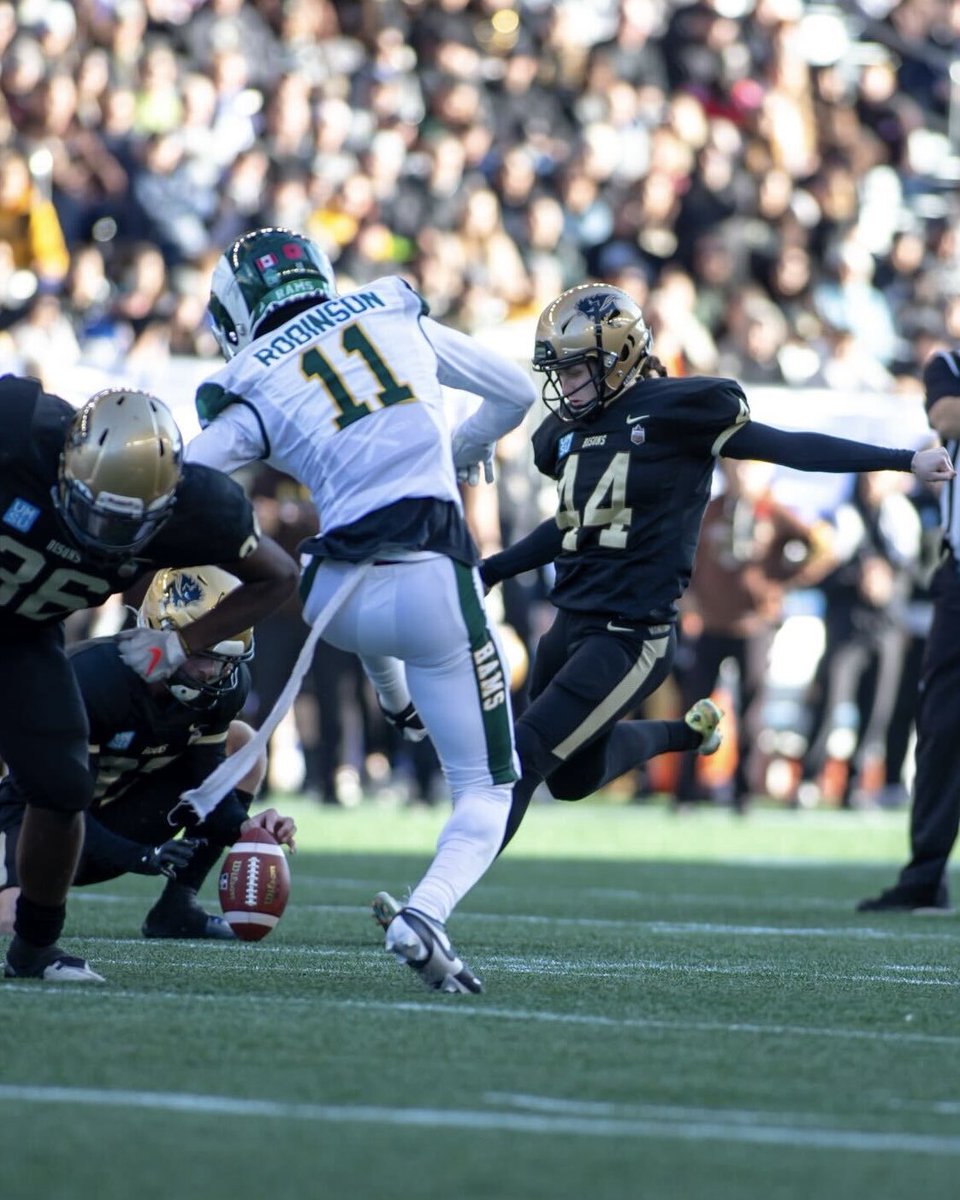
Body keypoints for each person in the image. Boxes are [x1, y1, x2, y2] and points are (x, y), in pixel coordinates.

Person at [474, 284, 954, 851]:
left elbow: (791, 447)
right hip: (569, 621)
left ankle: (437, 893)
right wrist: (494, 569)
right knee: (570, 778)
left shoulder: (679, 410)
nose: (565, 384)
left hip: (629, 631)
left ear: (618, 358)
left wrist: (903, 460)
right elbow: (573, 524)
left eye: (576, 369)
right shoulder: (570, 431)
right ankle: (684, 733)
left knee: (520, 759)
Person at [185, 226, 538, 993]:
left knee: (368, 599)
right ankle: (425, 914)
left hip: (329, 594)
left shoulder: (255, 373)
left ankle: (394, 697)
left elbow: (187, 477)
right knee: (487, 789)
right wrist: (466, 443)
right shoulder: (388, 309)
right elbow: (516, 391)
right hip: (432, 580)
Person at [0, 380, 298, 983]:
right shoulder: (17, 429)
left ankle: (34, 952)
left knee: (62, 785)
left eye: (128, 522)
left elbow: (280, 577)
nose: (106, 533)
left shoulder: (202, 508)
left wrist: (184, 642)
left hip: (21, 634)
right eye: (96, 511)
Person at [0, 564, 297, 940]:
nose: (213, 672)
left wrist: (245, 827)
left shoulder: (226, 687)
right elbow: (63, 804)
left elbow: (209, 787)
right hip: (39, 827)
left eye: (225, 659)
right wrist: (141, 855)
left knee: (243, 744)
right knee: (12, 923)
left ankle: (177, 906)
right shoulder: (94, 678)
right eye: (204, 653)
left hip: (119, 818)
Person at [858, 348, 960, 913]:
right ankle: (925, 874)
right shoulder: (949, 363)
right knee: (942, 726)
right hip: (958, 579)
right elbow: (947, 416)